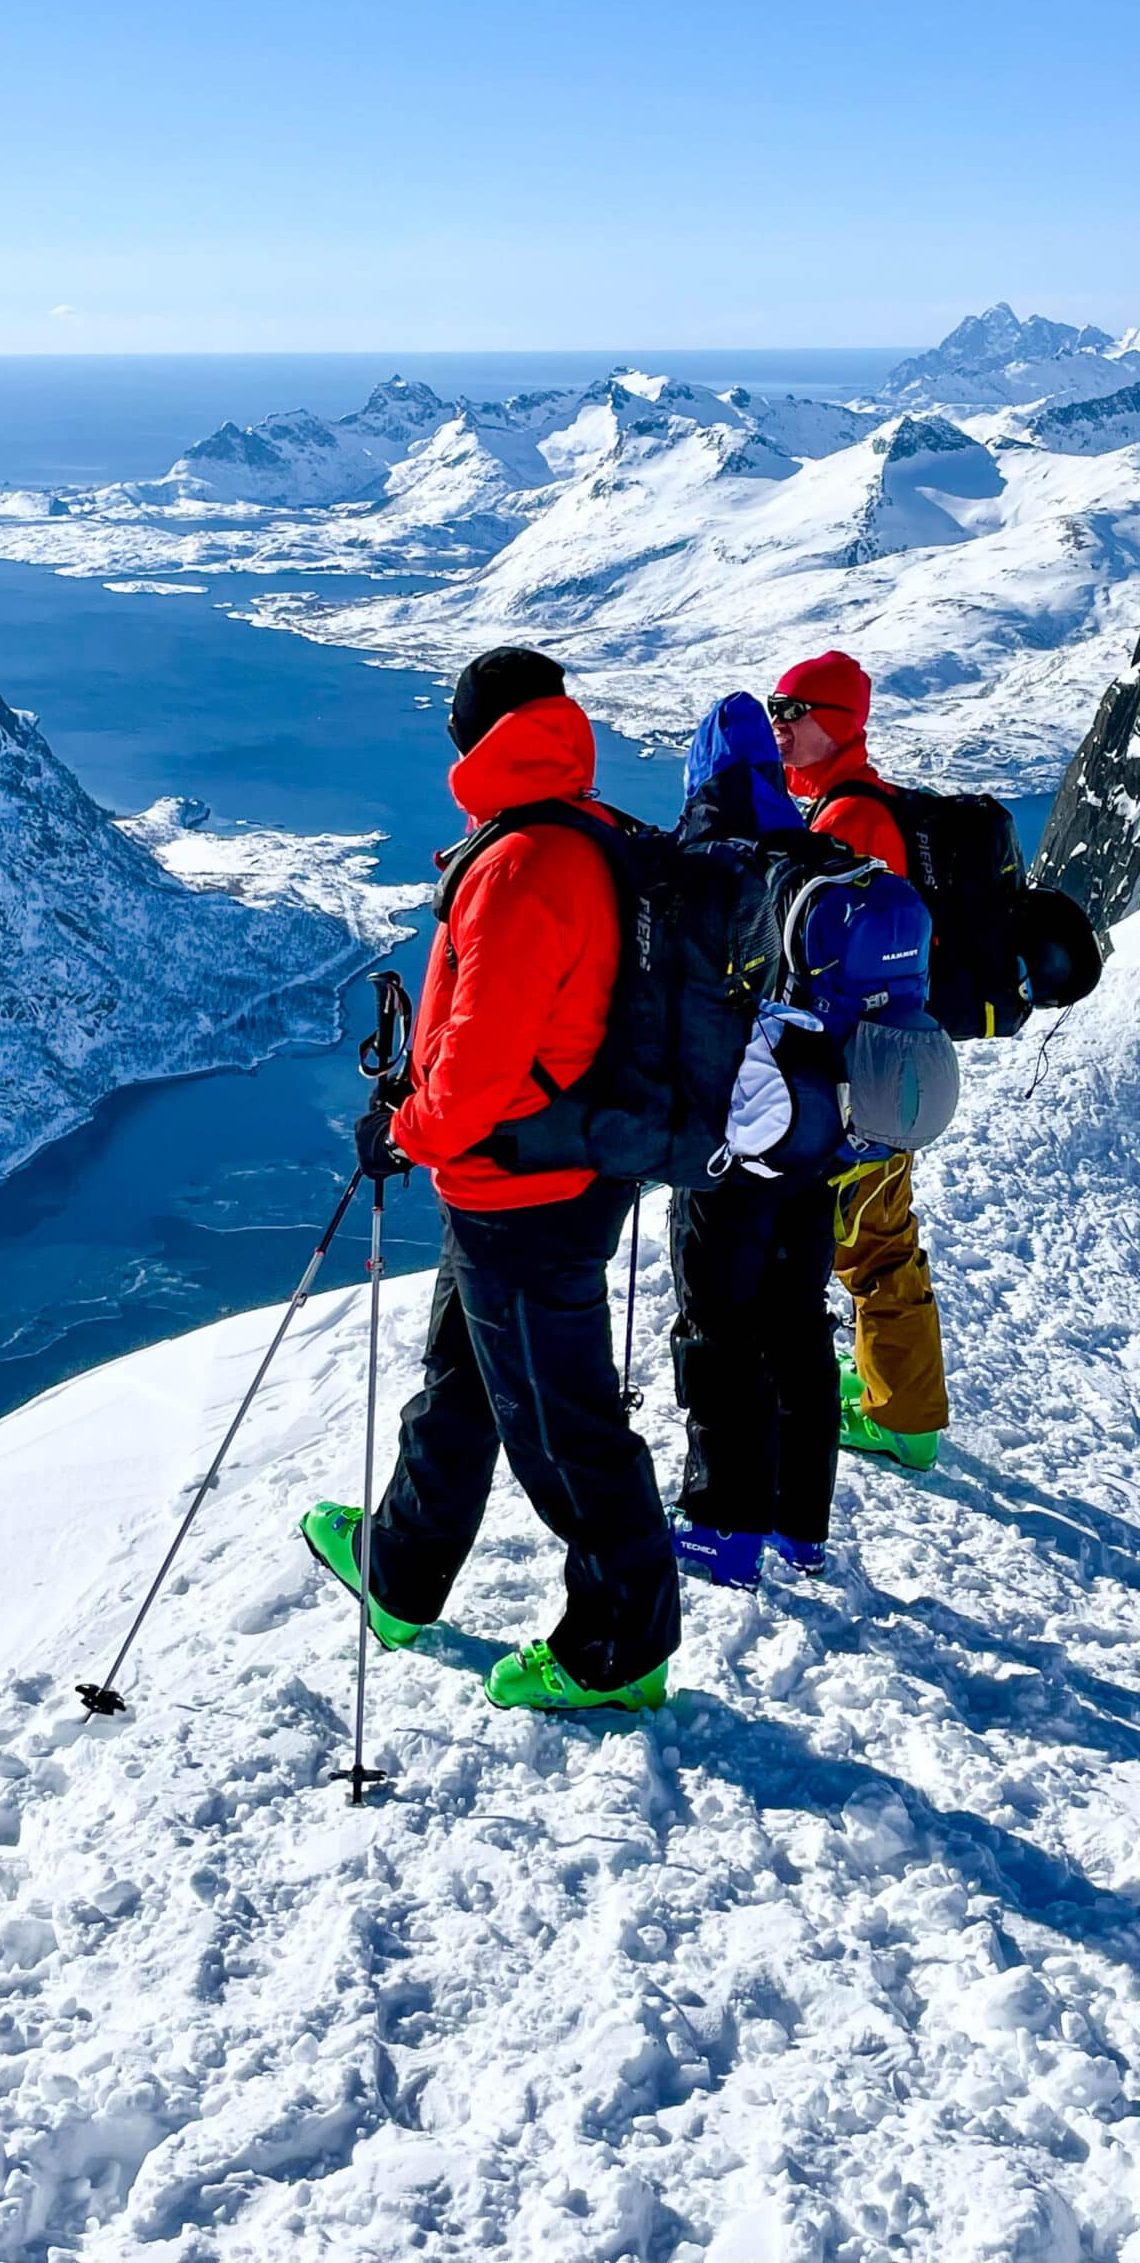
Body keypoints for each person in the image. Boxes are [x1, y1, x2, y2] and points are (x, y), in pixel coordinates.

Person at [301, 645, 680, 1714]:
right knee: (463, 1385)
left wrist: (407, 1129)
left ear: (474, 733)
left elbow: (478, 1062)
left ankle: (619, 1648)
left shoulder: (520, 862)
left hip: (524, 1190)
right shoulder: (577, 829)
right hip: (536, 1173)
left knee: (563, 1425)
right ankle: (399, 1570)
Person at [667, 695, 845, 1589]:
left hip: (730, 1146)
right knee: (798, 1318)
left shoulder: (703, 863)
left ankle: (723, 1527)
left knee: (720, 1325)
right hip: (820, 1137)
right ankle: (799, 1527)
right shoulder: (818, 856)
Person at [768, 649, 949, 1472]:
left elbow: (826, 966)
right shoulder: (857, 807)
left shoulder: (850, 824)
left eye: (791, 710)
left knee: (871, 1247)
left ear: (834, 723)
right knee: (879, 1236)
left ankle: (902, 1419)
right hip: (883, 1066)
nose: (779, 724)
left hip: (853, 1076)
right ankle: (891, 1395)